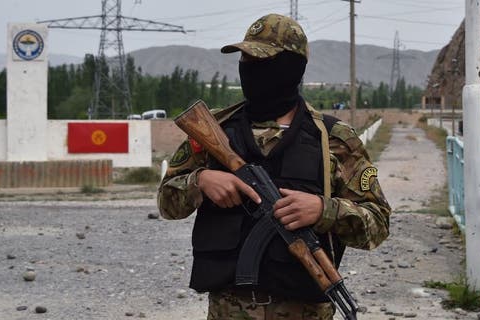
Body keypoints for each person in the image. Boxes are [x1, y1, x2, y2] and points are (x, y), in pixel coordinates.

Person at [157, 13, 391, 320]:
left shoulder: (333, 139)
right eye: (246, 61)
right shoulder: (214, 130)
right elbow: (166, 203)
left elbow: (378, 224)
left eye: (261, 61)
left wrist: (324, 210)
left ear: (291, 67)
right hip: (228, 311)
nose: (251, 70)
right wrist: (199, 181)